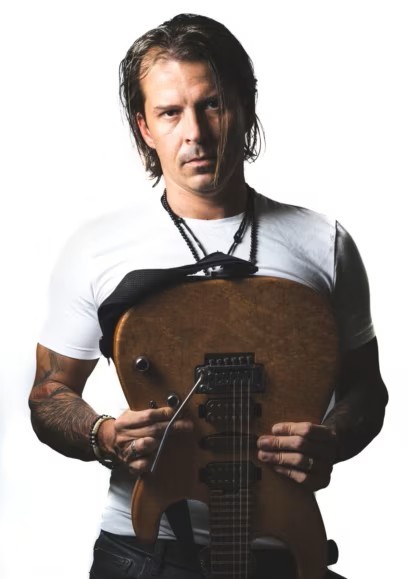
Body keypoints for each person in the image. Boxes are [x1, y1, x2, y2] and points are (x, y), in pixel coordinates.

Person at [29, 13, 388, 579]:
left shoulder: (325, 242)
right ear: (145, 128)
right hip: (145, 550)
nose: (194, 131)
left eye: (212, 104)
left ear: (245, 107)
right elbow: (49, 394)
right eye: (170, 112)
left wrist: (333, 438)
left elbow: (367, 388)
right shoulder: (96, 249)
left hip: (282, 548)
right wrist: (105, 435)